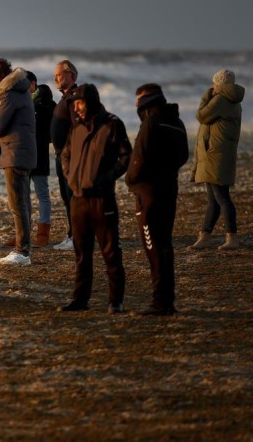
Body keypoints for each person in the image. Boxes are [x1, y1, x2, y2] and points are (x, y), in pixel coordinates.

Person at [58, 84, 131, 313]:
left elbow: (126, 156)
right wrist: (70, 177)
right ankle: (80, 299)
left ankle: (115, 301)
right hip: (78, 200)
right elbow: (66, 153)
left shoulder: (112, 124)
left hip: (102, 200)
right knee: (82, 253)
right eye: (74, 105)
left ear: (91, 102)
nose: (77, 109)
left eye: (80, 103)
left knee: (110, 252)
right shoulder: (76, 127)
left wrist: (105, 179)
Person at [125, 84, 188, 316]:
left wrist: (130, 181)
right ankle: (167, 300)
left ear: (147, 101)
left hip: (147, 194)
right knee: (165, 246)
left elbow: (138, 159)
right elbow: (183, 157)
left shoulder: (151, 123)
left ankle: (160, 301)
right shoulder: (177, 122)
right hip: (169, 189)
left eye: (138, 99)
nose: (134, 104)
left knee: (153, 248)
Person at [0, 58, 37, 266]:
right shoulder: (22, 90)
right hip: (24, 152)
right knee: (23, 202)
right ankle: (23, 247)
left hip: (14, 153)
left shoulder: (7, 95)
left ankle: (22, 251)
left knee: (18, 204)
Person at [190, 69, 245, 250]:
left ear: (219, 84)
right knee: (214, 199)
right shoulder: (234, 101)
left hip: (215, 155)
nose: (212, 86)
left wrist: (206, 96)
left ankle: (232, 239)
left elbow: (201, 116)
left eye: (214, 83)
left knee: (221, 198)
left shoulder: (220, 100)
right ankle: (205, 236)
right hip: (218, 154)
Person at [50, 60, 79, 251]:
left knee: (72, 197)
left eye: (59, 74)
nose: (56, 78)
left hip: (69, 157)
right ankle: (73, 235)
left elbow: (79, 127)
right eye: (54, 76)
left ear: (71, 75)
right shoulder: (65, 97)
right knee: (66, 197)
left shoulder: (75, 97)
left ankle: (76, 237)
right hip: (62, 156)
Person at [26, 70, 55, 247]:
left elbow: (55, 129)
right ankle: (23, 233)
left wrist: (43, 139)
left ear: (34, 83)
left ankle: (43, 234)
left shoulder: (48, 103)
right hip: (23, 154)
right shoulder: (20, 101)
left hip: (40, 154)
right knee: (23, 195)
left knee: (42, 194)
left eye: (26, 83)